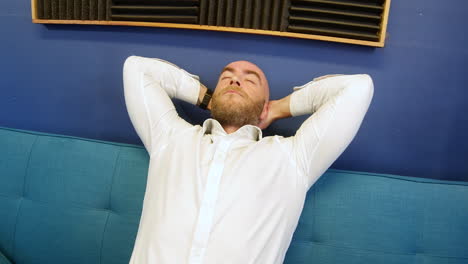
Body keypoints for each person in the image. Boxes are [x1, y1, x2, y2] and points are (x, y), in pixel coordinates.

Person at [123, 55, 374, 264]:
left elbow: (358, 88)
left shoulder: (292, 157)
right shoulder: (171, 137)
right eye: (226, 77)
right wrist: (208, 98)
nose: (235, 79)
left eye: (250, 80)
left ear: (264, 104)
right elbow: (137, 68)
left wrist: (277, 108)